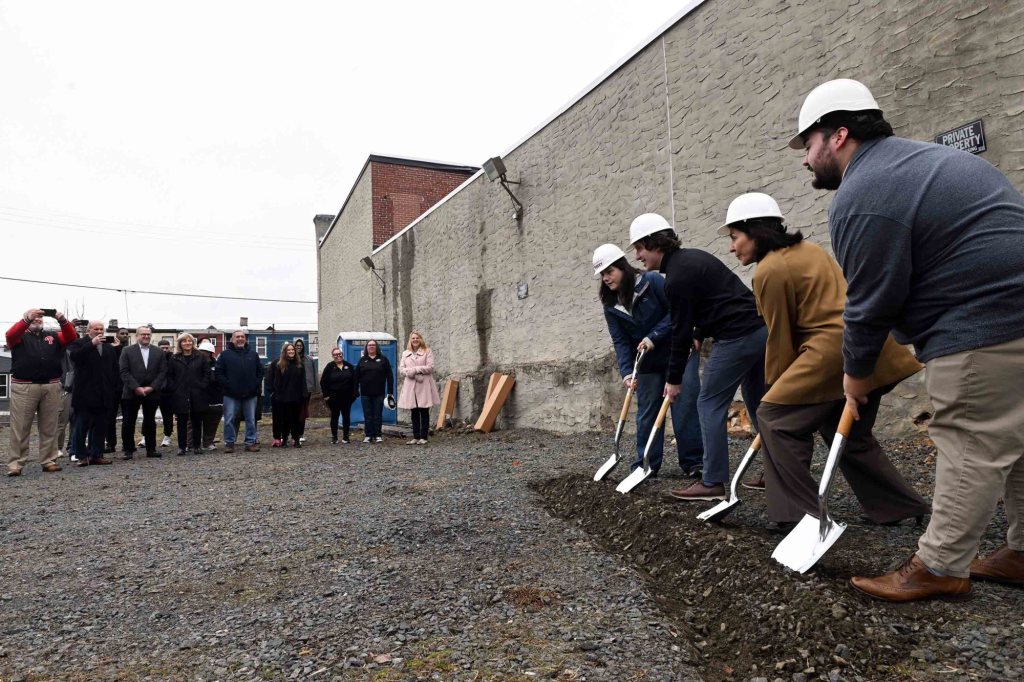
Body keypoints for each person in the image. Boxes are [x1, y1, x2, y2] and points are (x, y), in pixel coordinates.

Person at [790, 78, 1024, 600]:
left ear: (838, 135)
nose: (805, 160)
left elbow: (870, 302)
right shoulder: (930, 162)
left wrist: (855, 376)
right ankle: (1021, 552)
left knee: (968, 440)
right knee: (1017, 440)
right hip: (1014, 315)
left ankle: (940, 566)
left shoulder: (862, 193)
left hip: (981, 322)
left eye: (807, 144)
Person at [718, 192, 929, 531]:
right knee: (847, 435)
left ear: (754, 231)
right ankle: (899, 506)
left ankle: (799, 514)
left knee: (773, 418)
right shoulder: (808, 250)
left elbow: (780, 336)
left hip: (830, 354)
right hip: (871, 348)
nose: (731, 247)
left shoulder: (769, 270)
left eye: (734, 237)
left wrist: (777, 388)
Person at [629, 213, 768, 501]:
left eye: (640, 248)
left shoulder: (676, 277)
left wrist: (674, 380)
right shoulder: (693, 258)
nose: (639, 256)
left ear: (655, 244)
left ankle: (713, 482)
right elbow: (718, 299)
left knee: (708, 404)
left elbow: (679, 332)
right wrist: (700, 331)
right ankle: (778, 469)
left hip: (735, 337)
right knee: (759, 405)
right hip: (758, 331)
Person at [592, 244, 704, 477]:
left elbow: (677, 312)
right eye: (602, 275)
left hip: (678, 351)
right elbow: (620, 341)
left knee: (684, 406)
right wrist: (627, 372)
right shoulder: (610, 305)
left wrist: (653, 336)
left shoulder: (652, 282)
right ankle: (646, 464)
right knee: (647, 412)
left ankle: (694, 463)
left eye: (610, 271)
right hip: (647, 363)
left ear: (622, 267)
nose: (606, 278)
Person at [5, 308, 77, 476]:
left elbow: (71, 337)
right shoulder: (18, 336)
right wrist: (27, 319)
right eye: (34, 318)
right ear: (26, 319)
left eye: (40, 318)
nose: (38, 320)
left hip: (51, 385)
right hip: (24, 386)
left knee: (49, 425)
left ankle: (48, 460)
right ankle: (16, 464)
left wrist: (62, 320)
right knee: (20, 426)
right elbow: (10, 335)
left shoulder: (52, 335)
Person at [67, 320, 118, 467]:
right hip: (85, 394)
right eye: (96, 328)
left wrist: (112, 387)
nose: (99, 331)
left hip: (104, 393)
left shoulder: (108, 347)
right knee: (82, 426)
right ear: (89, 330)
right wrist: (91, 344)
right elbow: (75, 357)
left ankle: (97, 454)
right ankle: (81, 455)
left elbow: (114, 368)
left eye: (101, 329)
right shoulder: (79, 343)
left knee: (101, 426)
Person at [119, 325, 168, 459]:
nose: (146, 336)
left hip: (151, 392)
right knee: (129, 421)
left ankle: (151, 449)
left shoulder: (158, 352)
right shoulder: (127, 351)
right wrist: (136, 387)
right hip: (131, 392)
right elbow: (124, 371)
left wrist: (152, 387)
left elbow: (163, 372)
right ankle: (128, 450)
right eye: (143, 334)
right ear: (137, 336)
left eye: (148, 334)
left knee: (150, 421)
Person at [215, 330, 263, 453]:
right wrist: (228, 385)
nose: (240, 339)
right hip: (230, 394)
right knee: (229, 419)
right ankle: (229, 443)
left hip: (250, 394)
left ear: (245, 339)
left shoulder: (253, 354)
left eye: (242, 337)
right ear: (232, 339)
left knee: (251, 419)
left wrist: (255, 385)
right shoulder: (224, 355)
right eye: (237, 337)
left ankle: (250, 442)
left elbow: (260, 372)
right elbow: (219, 373)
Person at [166, 333, 209, 456]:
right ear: (180, 343)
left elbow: (207, 373)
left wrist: (202, 385)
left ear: (193, 343)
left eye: (189, 341)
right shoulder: (174, 358)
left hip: (197, 393)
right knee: (181, 422)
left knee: (197, 421)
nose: (187, 343)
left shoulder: (200, 357)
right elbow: (169, 376)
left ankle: (196, 446)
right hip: (180, 394)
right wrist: (174, 388)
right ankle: (182, 447)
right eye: (184, 341)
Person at [398, 331, 440, 445]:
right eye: (413, 338)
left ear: (420, 339)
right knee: (414, 411)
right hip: (411, 384)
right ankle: (415, 436)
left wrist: (416, 369)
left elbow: (430, 367)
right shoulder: (405, 353)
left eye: (417, 338)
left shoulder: (427, 351)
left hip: (424, 384)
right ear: (410, 340)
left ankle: (424, 437)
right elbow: (401, 369)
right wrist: (409, 372)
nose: (415, 340)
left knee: (424, 410)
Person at [268, 342, 306, 448]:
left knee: (296, 419)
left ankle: (296, 439)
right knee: (284, 419)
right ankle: (284, 439)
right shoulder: (278, 364)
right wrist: (273, 393)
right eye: (289, 350)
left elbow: (303, 381)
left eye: (292, 350)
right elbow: (272, 381)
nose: (291, 351)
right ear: (284, 352)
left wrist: (304, 394)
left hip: (296, 397)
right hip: (282, 397)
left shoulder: (299, 365)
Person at [356, 339, 394, 443]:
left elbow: (389, 376)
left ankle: (378, 435)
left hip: (379, 393)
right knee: (367, 415)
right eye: (369, 345)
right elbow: (356, 377)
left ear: (376, 347)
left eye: (373, 345)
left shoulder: (383, 360)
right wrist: (355, 390)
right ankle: (368, 435)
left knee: (377, 415)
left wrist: (390, 392)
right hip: (365, 393)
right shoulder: (362, 360)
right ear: (366, 348)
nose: (371, 347)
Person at [320, 347, 358, 444]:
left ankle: (346, 437)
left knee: (346, 416)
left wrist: (355, 394)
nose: (338, 356)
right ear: (333, 356)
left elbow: (355, 381)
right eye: (335, 354)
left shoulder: (349, 366)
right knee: (334, 416)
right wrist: (326, 396)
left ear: (342, 354)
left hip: (347, 397)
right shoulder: (329, 366)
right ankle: (334, 437)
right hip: (334, 397)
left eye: (339, 354)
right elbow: (323, 381)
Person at [103, 327, 130, 453]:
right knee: (109, 417)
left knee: (128, 418)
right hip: (112, 388)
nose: (124, 335)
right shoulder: (109, 348)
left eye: (126, 334)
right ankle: (110, 443)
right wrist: (115, 347)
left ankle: (128, 444)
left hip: (126, 388)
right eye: (122, 333)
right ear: (116, 335)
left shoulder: (130, 350)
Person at [197, 340, 223, 450]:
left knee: (212, 423)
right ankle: (194, 443)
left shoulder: (217, 366)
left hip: (215, 398)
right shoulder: (196, 365)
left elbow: (219, 380)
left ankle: (208, 442)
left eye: (205, 352)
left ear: (210, 353)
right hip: (199, 398)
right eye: (201, 351)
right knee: (196, 422)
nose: (202, 354)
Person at [293, 338, 316, 443]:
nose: (299, 347)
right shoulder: (291, 359)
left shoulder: (309, 359)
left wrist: (314, 388)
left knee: (302, 413)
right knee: (293, 412)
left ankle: (300, 433)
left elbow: (313, 375)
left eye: (300, 345)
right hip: (293, 390)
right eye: (297, 345)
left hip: (306, 389)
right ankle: (293, 433)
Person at [155, 338, 175, 448]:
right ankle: (145, 436)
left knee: (167, 416)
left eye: (167, 348)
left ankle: (167, 436)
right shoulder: (153, 358)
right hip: (154, 390)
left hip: (168, 392)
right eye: (162, 348)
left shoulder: (173, 359)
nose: (165, 350)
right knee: (149, 415)